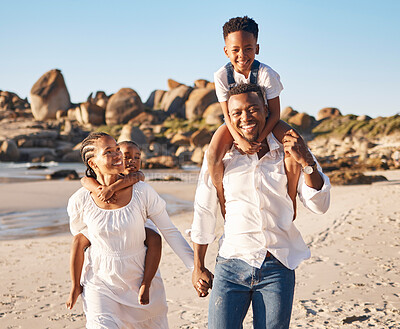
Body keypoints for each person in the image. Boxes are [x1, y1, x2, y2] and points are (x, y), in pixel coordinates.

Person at [191, 84, 331, 329]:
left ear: (267, 110)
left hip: (277, 267)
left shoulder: (290, 151)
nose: (245, 117)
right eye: (237, 113)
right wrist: (198, 266)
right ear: (229, 117)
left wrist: (306, 161)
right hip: (231, 265)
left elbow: (319, 204)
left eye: (253, 109)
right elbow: (204, 209)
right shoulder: (221, 157)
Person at [67, 132, 194, 328]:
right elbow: (80, 238)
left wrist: (195, 267)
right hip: (100, 283)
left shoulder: (142, 192)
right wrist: (76, 285)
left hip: (139, 281)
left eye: (117, 149)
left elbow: (169, 231)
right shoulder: (80, 200)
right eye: (109, 152)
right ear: (93, 163)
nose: (119, 155)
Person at [208, 16, 301, 217]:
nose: (242, 55)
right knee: (214, 152)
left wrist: (259, 140)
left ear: (257, 48)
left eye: (248, 48)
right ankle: (224, 201)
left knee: (293, 144)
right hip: (237, 123)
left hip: (267, 120)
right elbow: (226, 114)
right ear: (226, 51)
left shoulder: (267, 74)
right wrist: (240, 140)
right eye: (235, 50)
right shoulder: (221, 76)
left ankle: (291, 198)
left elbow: (275, 113)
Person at [66, 140, 162, 309]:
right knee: (79, 239)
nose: (132, 161)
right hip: (104, 223)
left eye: (137, 157)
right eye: (127, 156)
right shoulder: (95, 182)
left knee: (154, 237)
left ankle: (146, 282)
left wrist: (112, 189)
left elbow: (137, 177)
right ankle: (75, 285)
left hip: (135, 221)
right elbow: (85, 180)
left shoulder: (136, 178)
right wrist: (98, 190)